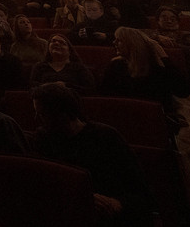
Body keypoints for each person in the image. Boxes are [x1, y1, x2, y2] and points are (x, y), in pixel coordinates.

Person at [32, 82, 153, 226]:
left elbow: (139, 190)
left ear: (62, 114)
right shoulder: (43, 138)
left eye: (42, 114)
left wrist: (117, 203)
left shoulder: (105, 137)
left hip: (108, 213)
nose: (37, 119)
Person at [101, 28, 190, 191]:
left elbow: (183, 90)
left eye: (119, 40)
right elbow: (105, 98)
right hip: (128, 123)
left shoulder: (156, 69)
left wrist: (164, 57)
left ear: (132, 44)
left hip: (156, 124)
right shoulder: (116, 67)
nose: (114, 43)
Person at [30, 33, 96, 93]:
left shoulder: (79, 68)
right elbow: (32, 87)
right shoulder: (39, 66)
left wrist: (66, 85)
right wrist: (49, 86)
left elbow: (90, 89)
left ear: (69, 51)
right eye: (53, 41)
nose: (56, 43)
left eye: (62, 43)